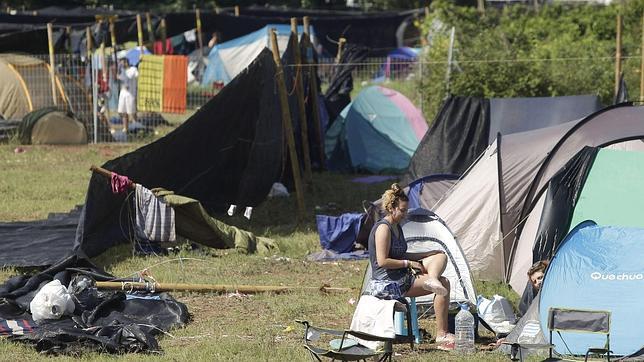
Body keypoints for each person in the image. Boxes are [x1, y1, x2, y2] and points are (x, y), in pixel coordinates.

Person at [367, 183, 455, 350]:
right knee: (444, 284)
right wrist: (408, 263)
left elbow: (400, 254)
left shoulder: (396, 227)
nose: (405, 214)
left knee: (439, 256)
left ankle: (433, 279)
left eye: (406, 210)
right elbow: (382, 261)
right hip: (386, 284)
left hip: (400, 276)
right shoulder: (383, 229)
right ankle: (441, 334)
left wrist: (426, 254)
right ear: (391, 208)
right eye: (403, 210)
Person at [117, 58, 138, 136]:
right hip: (123, 94)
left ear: (126, 62)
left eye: (123, 63)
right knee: (123, 112)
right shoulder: (122, 71)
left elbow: (135, 76)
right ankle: (125, 128)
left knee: (132, 112)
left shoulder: (133, 69)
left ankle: (136, 126)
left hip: (131, 94)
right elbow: (118, 77)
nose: (122, 65)